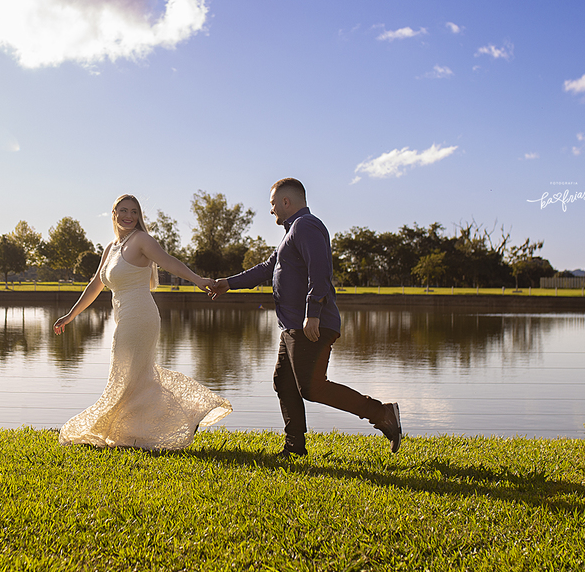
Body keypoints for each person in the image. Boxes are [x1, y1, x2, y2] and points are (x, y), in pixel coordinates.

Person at [208, 177, 402, 456]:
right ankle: (294, 447)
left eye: (273, 203)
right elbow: (265, 269)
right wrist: (228, 282)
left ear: (286, 201)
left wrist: (312, 314)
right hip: (293, 327)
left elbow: (320, 272)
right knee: (284, 382)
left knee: (312, 387)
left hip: (311, 323)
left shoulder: (305, 226)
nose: (271, 210)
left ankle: (382, 413)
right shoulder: (291, 234)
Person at [55, 194, 232, 450]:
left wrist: (197, 280)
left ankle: (169, 419)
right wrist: (71, 315)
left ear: (139, 216)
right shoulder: (111, 247)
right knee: (134, 378)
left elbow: (169, 262)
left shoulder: (142, 240)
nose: (129, 216)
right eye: (124, 211)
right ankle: (139, 432)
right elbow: (96, 285)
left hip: (140, 317)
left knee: (126, 378)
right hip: (124, 317)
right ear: (114, 214)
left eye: (134, 212)